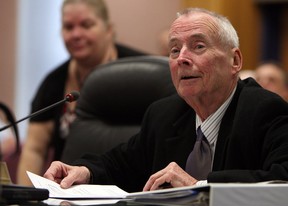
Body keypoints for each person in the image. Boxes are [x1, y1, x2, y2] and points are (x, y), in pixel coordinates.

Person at [43, 8, 288, 193]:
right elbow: (123, 163)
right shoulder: (164, 114)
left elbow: (282, 179)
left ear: (235, 61)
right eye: (174, 50)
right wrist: (84, 171)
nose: (182, 58)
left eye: (198, 46)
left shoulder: (265, 111)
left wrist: (199, 185)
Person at [17, 0, 146, 186]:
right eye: (68, 27)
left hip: (130, 194)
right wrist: (23, 199)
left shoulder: (143, 73)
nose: (76, 34)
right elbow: (35, 150)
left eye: (86, 25)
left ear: (109, 29)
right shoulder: (53, 83)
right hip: (68, 194)